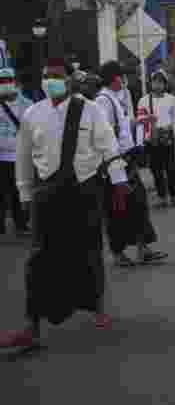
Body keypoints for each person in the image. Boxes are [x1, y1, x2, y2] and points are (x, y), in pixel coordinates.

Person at [1, 59, 131, 350]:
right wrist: (23, 194)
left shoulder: (90, 109)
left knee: (89, 249)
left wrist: (119, 180)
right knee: (39, 258)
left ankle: (98, 307)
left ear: (69, 80)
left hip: (83, 190)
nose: (51, 81)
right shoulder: (34, 115)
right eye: (47, 76)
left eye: (57, 76)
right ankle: (30, 325)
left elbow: (108, 146)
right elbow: (23, 158)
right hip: (47, 193)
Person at [96, 62, 166, 267]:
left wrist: (141, 121)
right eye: (122, 76)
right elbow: (105, 134)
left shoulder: (118, 99)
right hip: (115, 162)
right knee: (117, 207)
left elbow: (123, 126)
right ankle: (118, 253)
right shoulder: (104, 101)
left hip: (128, 157)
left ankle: (143, 248)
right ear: (115, 78)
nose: (124, 80)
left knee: (138, 203)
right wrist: (113, 165)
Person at [137, 71, 175, 209]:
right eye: (155, 81)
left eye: (161, 82)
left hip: (168, 137)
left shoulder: (171, 99)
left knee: (171, 168)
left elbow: (174, 119)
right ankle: (162, 197)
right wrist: (142, 140)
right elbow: (140, 121)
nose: (158, 84)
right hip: (152, 139)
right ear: (151, 83)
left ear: (165, 84)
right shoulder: (143, 100)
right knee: (156, 169)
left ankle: (173, 196)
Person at [0, 67, 31, 236]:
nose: (5, 84)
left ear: (15, 82)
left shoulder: (27, 104)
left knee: (19, 190)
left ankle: (21, 223)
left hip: (20, 156)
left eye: (8, 80)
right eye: (2, 81)